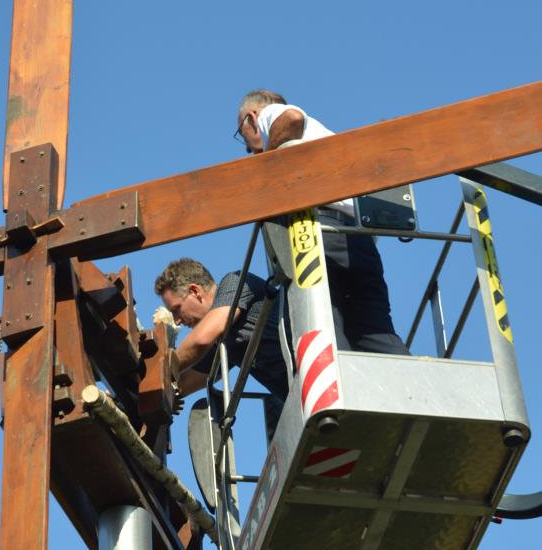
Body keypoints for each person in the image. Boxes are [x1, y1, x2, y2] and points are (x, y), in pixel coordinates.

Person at [235, 89, 410, 355]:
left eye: (242, 133)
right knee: (375, 333)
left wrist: (269, 170)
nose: (248, 149)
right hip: (358, 240)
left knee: (326, 329)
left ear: (251, 117)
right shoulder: (322, 137)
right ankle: (410, 377)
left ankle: (336, 379)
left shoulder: (269, 115)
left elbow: (292, 118)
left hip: (317, 232)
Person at [154, 258, 289, 401]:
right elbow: (184, 384)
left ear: (195, 291)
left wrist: (157, 371)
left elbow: (200, 340)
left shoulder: (236, 282)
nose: (177, 321)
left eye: (177, 309)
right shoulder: (219, 343)